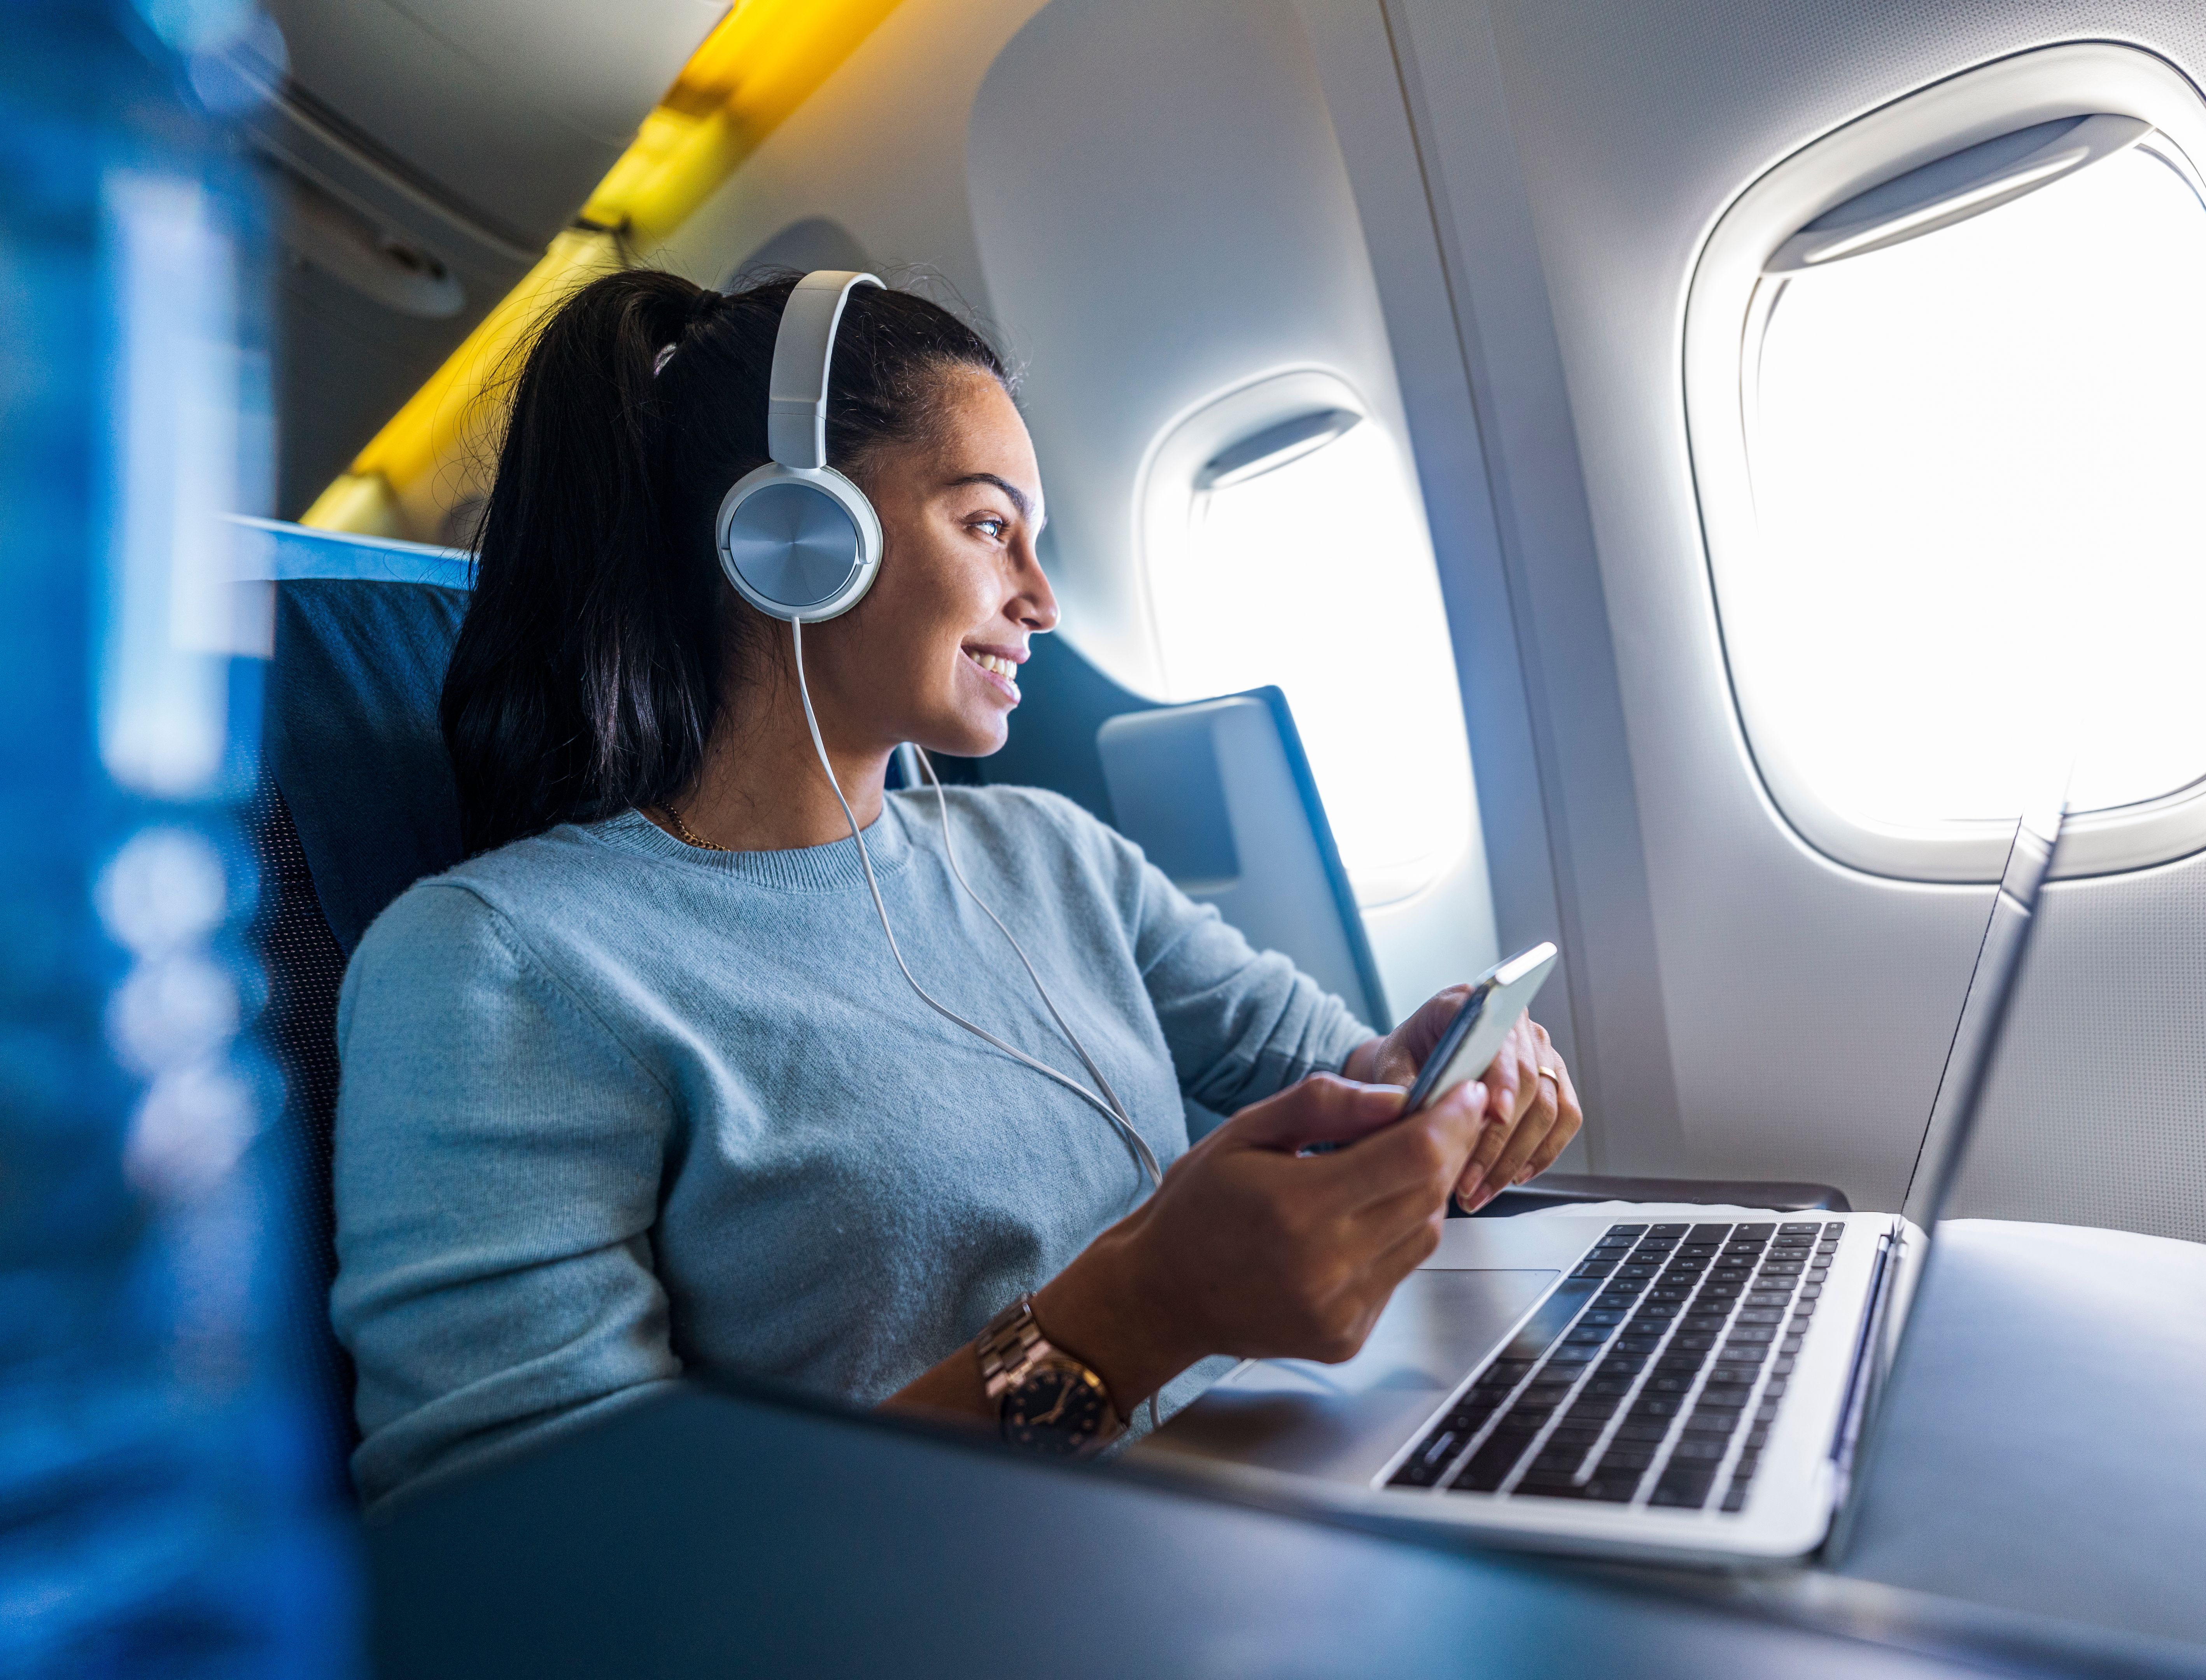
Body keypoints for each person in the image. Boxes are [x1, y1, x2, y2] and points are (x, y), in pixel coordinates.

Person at [329, 268, 1581, 1505]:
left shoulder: (1049, 851)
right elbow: (526, 1564)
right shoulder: (498, 964)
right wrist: (1134, 1320)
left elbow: (1328, 1071)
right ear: (794, 537)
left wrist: (1443, 1090)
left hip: (1241, 1518)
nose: (1039, 599)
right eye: (990, 525)